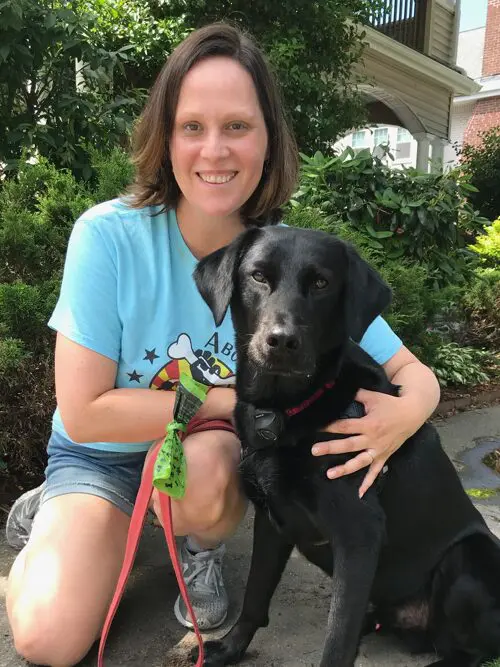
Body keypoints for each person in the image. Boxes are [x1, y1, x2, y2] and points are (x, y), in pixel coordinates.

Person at [5, 22, 440, 667]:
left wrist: (402, 416)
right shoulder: (109, 236)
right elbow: (85, 409)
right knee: (47, 641)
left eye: (238, 126)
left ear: (269, 139)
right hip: (103, 456)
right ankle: (56, 518)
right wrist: (228, 398)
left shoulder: (285, 260)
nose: (215, 150)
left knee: (208, 471)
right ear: (166, 137)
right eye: (192, 127)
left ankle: (191, 546)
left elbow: (415, 375)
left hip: (206, 457)